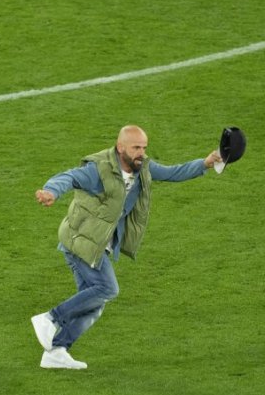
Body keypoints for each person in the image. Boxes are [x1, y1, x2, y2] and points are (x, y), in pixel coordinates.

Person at [30, 125, 221, 369]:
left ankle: (56, 350)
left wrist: (206, 163)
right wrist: (51, 192)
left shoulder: (142, 168)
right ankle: (50, 319)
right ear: (120, 147)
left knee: (93, 305)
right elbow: (69, 177)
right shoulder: (99, 169)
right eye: (136, 147)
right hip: (82, 241)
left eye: (144, 147)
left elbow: (173, 172)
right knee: (108, 288)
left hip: (96, 244)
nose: (142, 153)